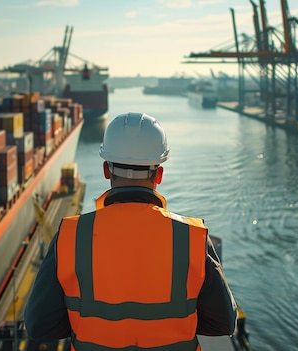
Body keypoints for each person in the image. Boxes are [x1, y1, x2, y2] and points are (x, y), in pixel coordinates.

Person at [24, 112, 238, 350]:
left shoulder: (70, 236)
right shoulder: (192, 238)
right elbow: (224, 324)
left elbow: (39, 326)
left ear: (106, 170)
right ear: (159, 174)